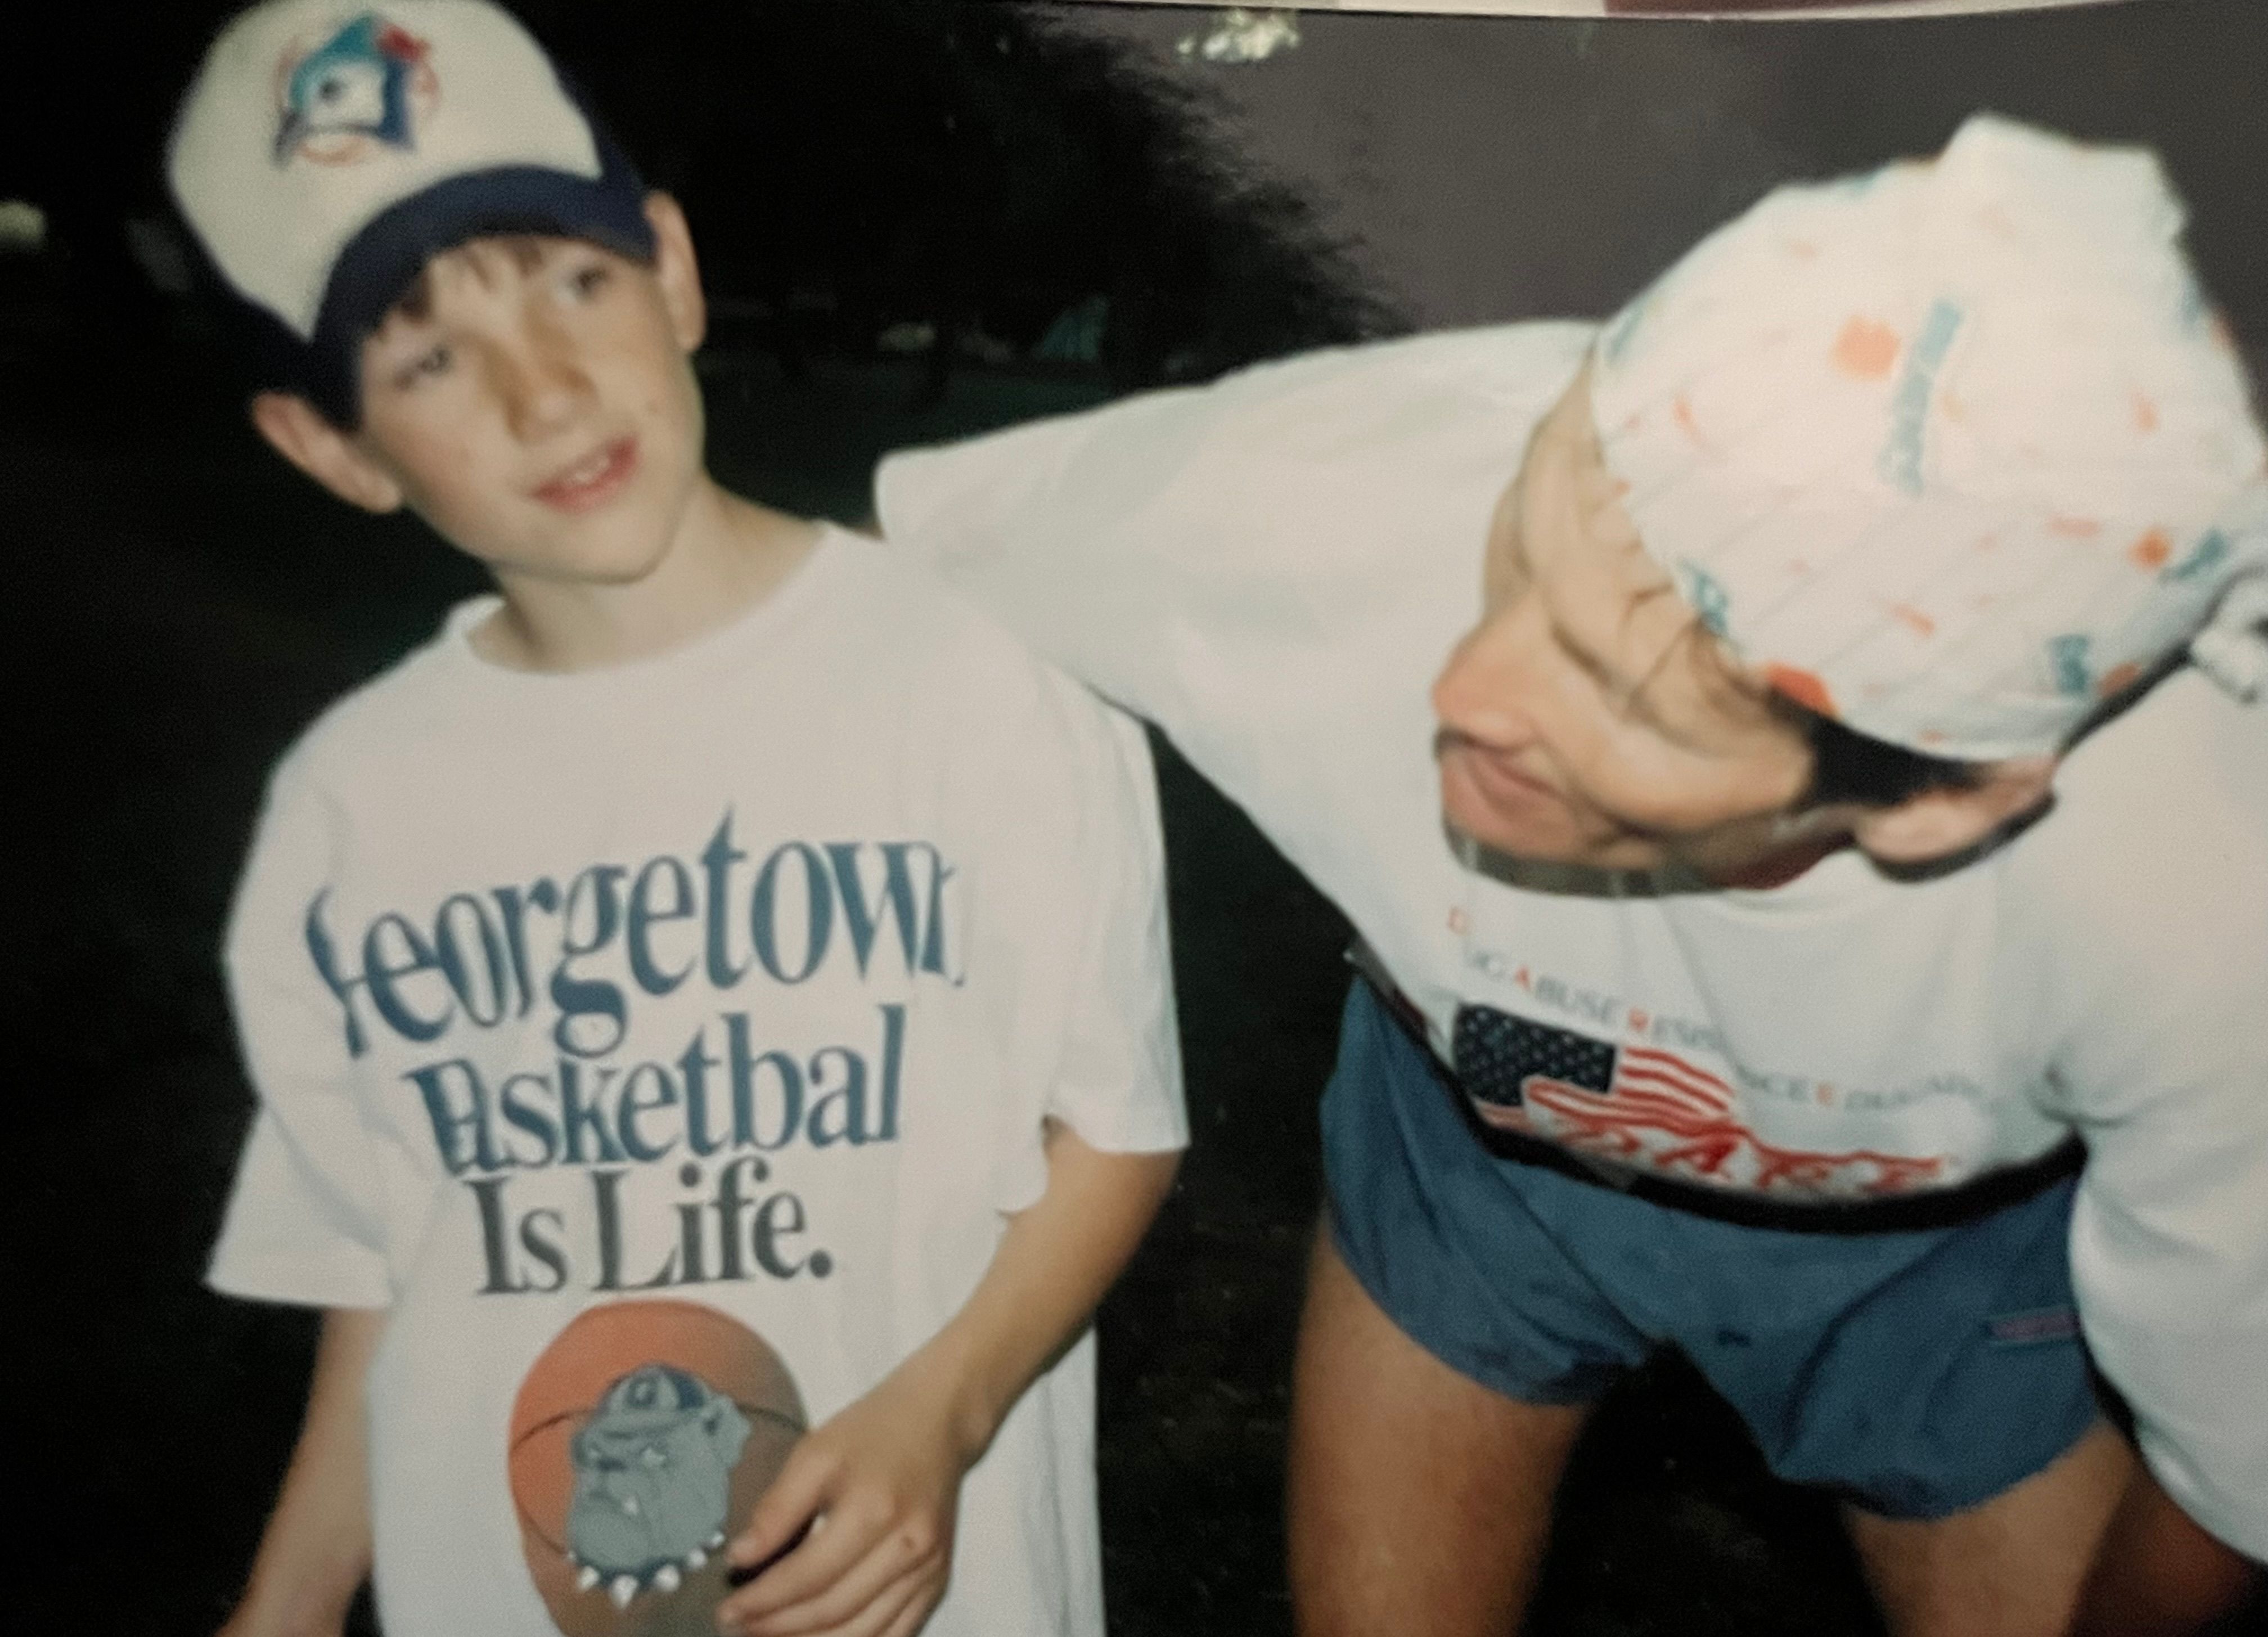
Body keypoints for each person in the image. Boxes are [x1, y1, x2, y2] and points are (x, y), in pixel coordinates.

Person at [872, 115, 2268, 1636]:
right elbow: (845, 597)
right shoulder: (1330, 484)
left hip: (1923, 1256)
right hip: (1474, 1155)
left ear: (1948, 802)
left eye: (1626, 695)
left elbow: (2229, 1488)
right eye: (1519, 542)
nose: (1468, 688)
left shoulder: (2196, 899)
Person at [168, 5, 1186, 1636]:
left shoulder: (984, 671)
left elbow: (1118, 1128)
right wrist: (280, 1613)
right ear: (331, 448)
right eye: (428, 356)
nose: (545, 390)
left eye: (574, 281)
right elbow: (387, 1266)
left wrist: (949, 1409)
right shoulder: (356, 804)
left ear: (674, 268)